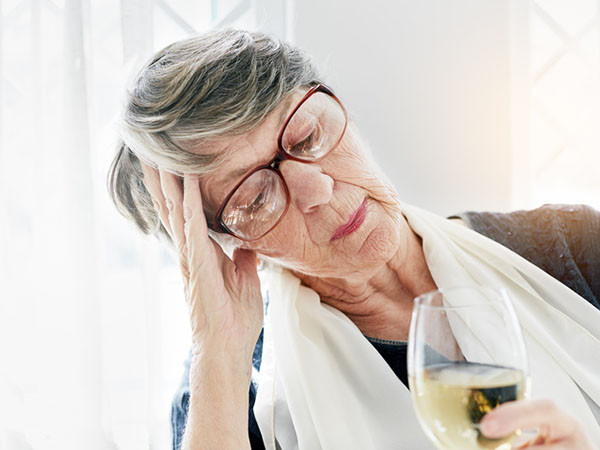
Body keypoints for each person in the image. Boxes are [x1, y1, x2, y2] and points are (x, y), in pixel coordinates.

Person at [108, 29, 600, 449]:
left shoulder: (570, 248)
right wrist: (217, 350)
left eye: (306, 136)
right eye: (255, 197)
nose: (317, 187)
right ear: (224, 247)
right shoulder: (230, 397)